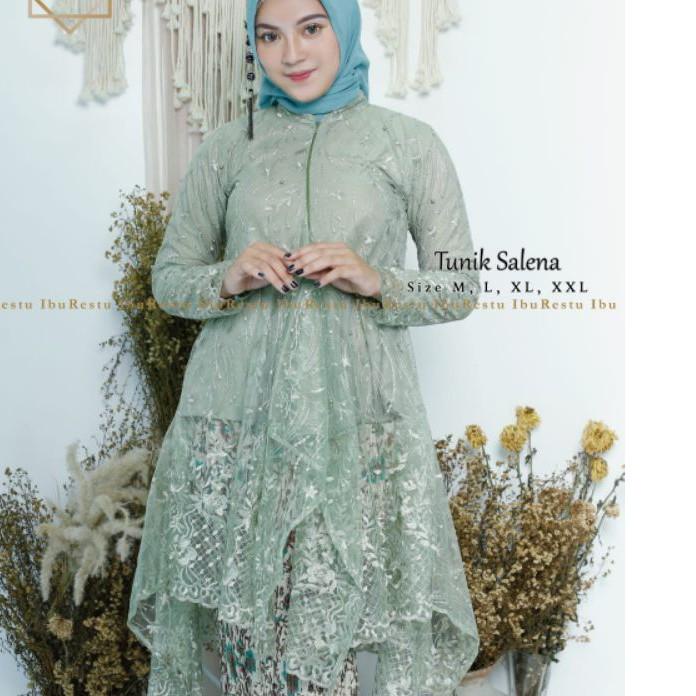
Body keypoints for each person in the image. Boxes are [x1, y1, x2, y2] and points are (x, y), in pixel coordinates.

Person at [127, 0, 481, 694]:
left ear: (343, 28)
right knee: (248, 632)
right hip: (240, 421)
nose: (290, 53)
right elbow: (169, 280)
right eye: (269, 35)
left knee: (335, 626)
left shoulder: (407, 144)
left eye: (311, 28)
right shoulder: (230, 147)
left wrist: (377, 280)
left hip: (357, 423)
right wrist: (227, 277)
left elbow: (460, 286)